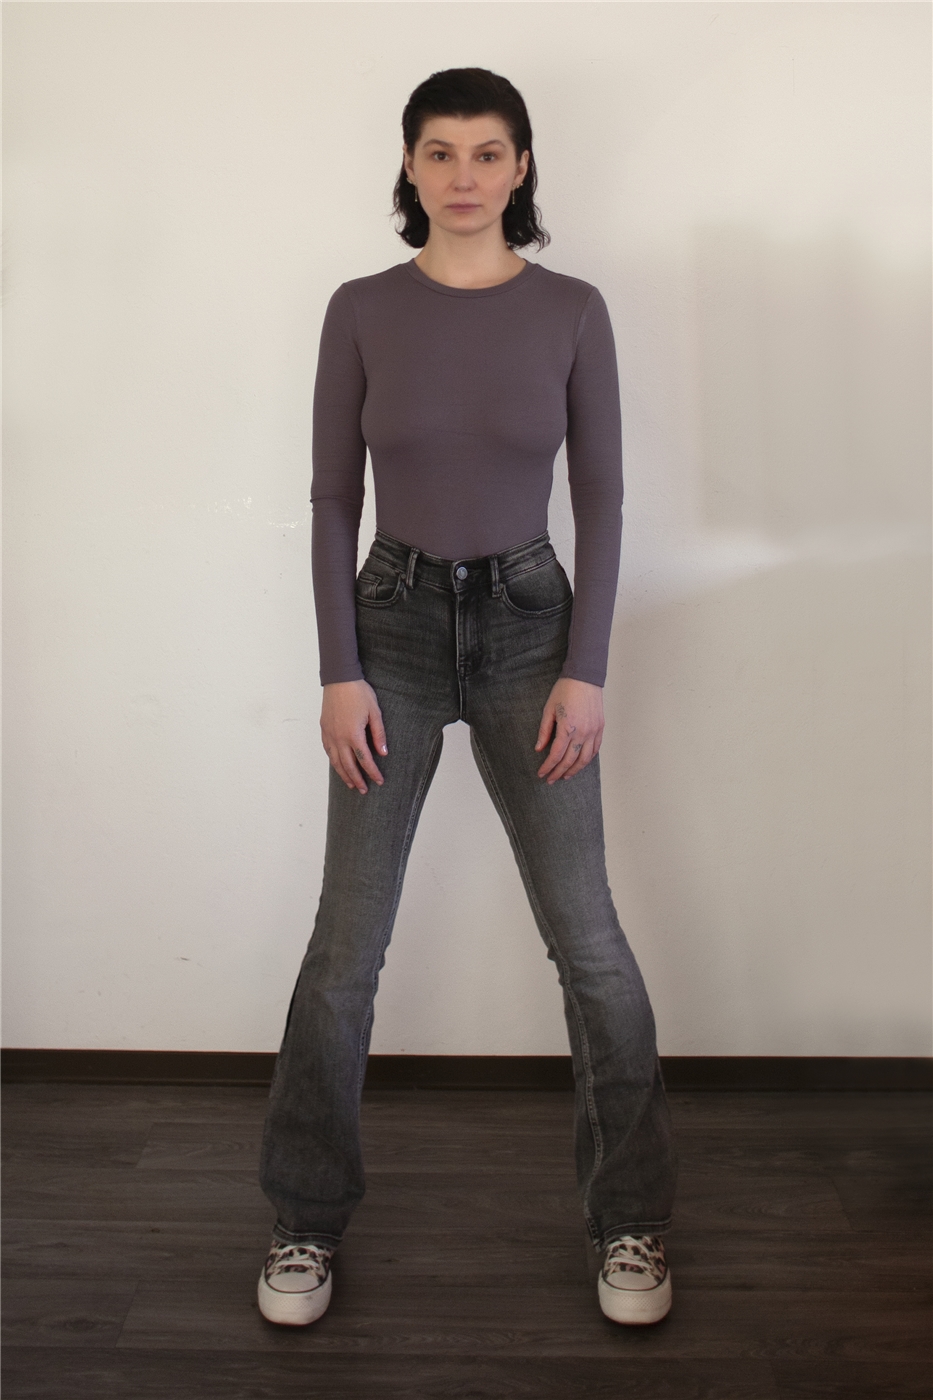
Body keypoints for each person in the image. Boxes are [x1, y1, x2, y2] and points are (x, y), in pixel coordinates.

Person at [257, 66, 677, 1329]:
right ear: (409, 165)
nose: (463, 175)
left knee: (588, 940)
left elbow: (602, 497)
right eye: (439, 151)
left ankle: (632, 1216)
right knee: (346, 946)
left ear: (522, 167)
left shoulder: (573, 310)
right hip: (388, 625)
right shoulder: (361, 309)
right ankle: (302, 1220)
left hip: (531, 628)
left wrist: (587, 668)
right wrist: (338, 668)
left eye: (488, 152)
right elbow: (333, 497)